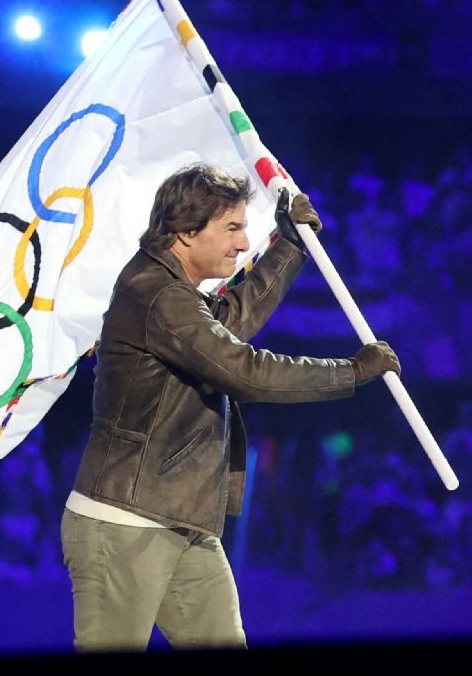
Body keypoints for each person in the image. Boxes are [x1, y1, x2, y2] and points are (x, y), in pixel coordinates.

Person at [61, 163, 401, 651]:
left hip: (181, 521)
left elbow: (229, 324)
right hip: (124, 523)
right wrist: (348, 372)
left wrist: (289, 245)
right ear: (183, 230)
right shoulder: (155, 294)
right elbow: (243, 370)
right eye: (233, 229)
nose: (243, 244)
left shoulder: (172, 293)